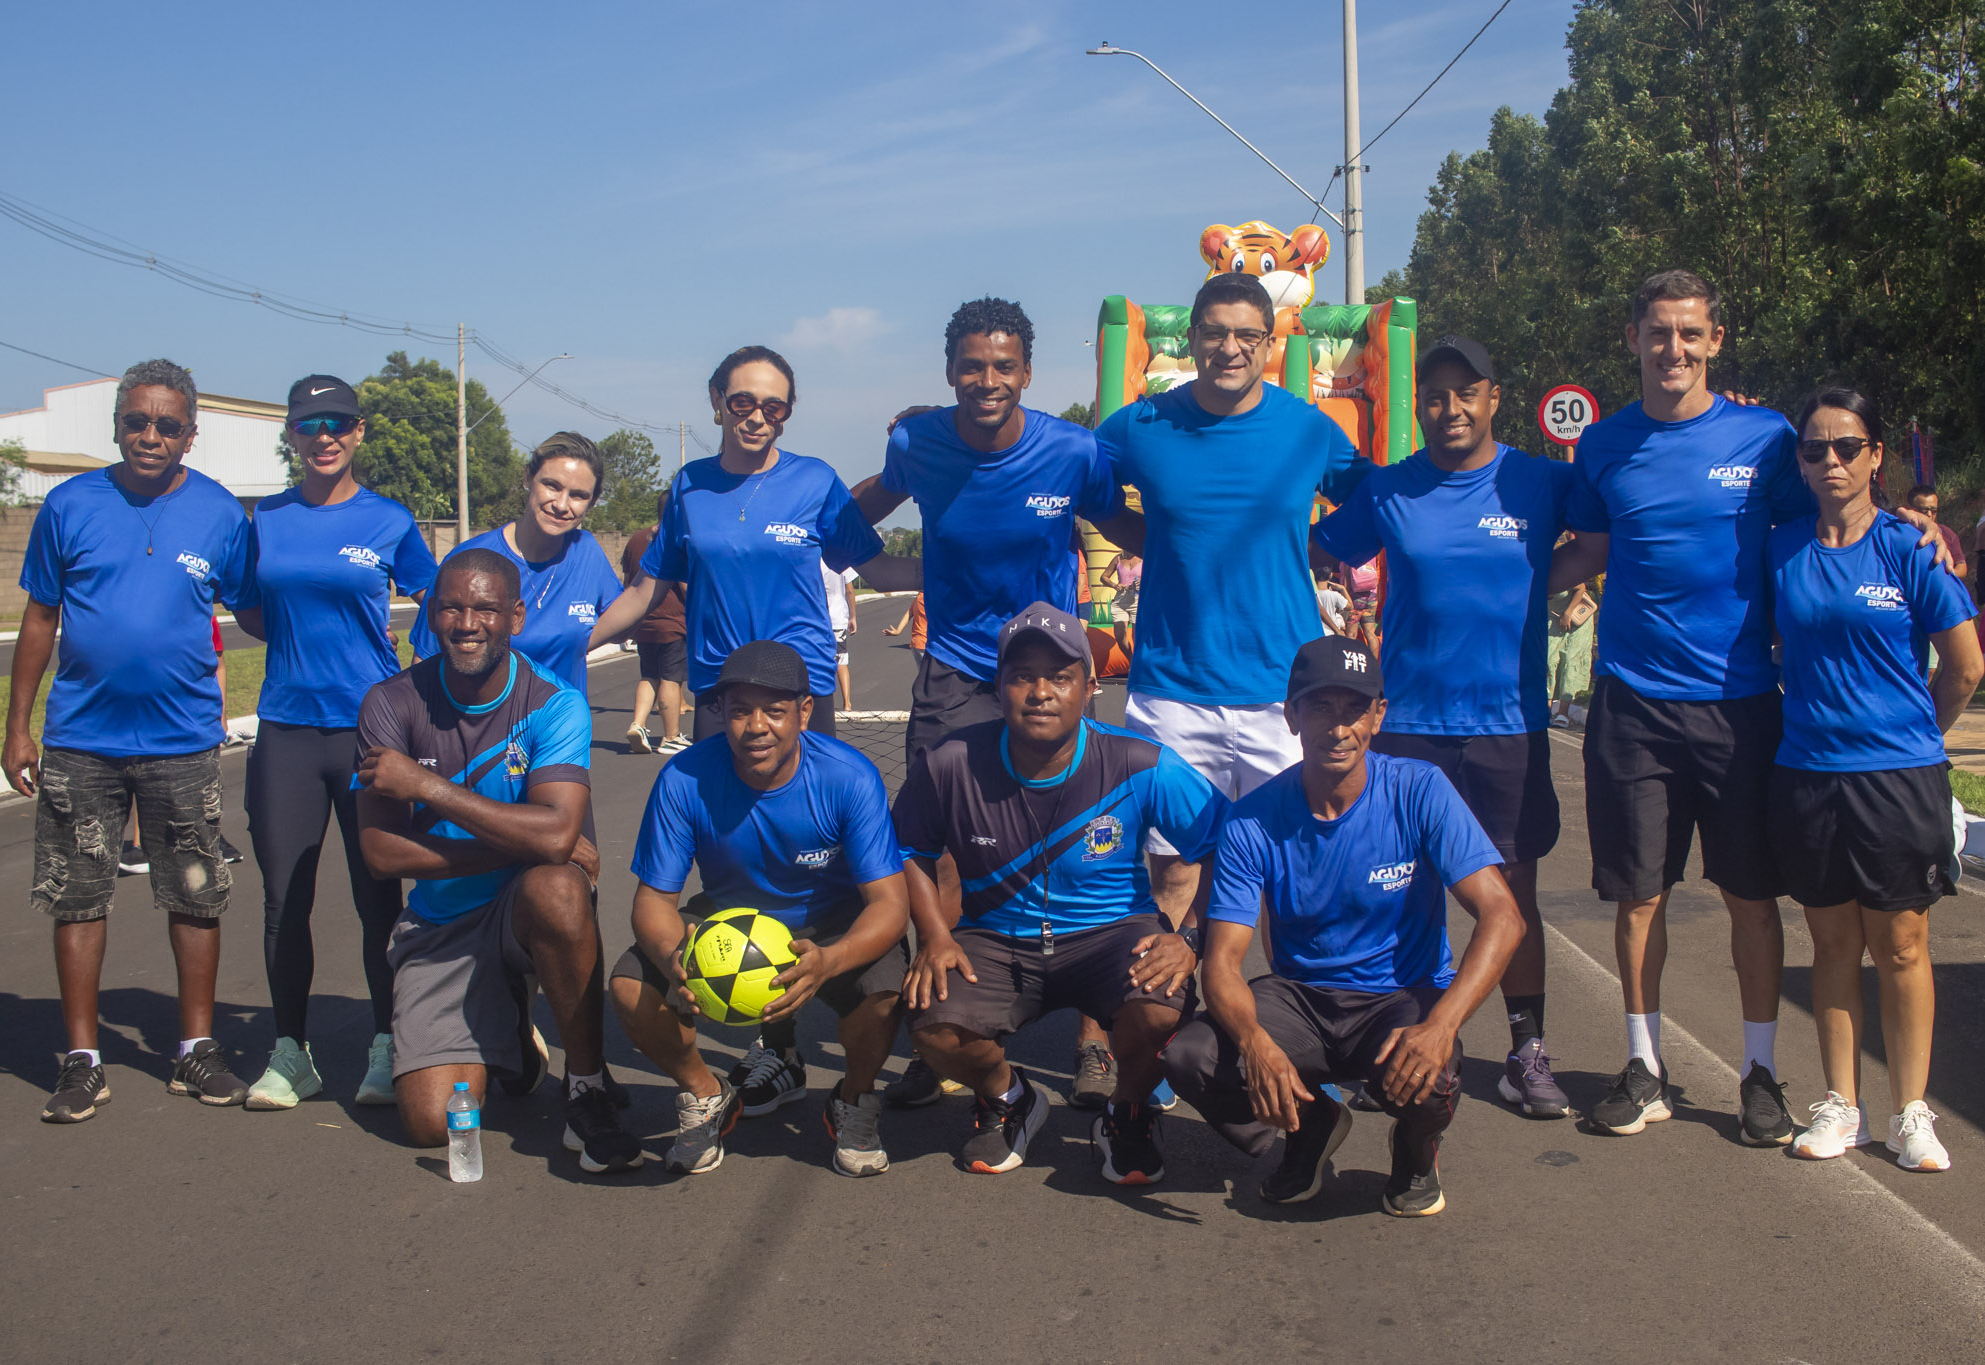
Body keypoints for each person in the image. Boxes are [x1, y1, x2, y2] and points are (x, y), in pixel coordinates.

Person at [1547, 268, 1946, 1143]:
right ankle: (1643, 1066)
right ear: (1632, 339)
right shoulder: (1605, 445)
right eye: (1658, 332)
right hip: (1633, 704)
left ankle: (1759, 1071)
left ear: (1714, 341)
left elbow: (1842, 506)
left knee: (1749, 897)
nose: (1673, 349)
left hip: (1741, 705)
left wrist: (1920, 522)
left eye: (1690, 334)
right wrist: (1492, 586)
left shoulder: (1768, 439)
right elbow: (1586, 549)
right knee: (1639, 897)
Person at [849, 299, 1142, 1107]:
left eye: (1002, 366)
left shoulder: (1072, 451)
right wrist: (896, 576)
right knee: (939, 853)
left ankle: (1092, 1036)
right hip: (954, 669)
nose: (987, 380)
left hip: (1048, 669)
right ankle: (939, 1014)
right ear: (949, 374)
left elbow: (1128, 524)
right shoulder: (917, 443)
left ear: (1026, 373)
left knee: (1080, 845)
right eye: (971, 366)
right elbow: (849, 521)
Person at [1162, 637, 1525, 1216]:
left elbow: (1503, 917)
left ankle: (1414, 1147)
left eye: (1354, 709)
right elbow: (1223, 962)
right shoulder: (1252, 819)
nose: (1338, 728)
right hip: (1301, 998)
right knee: (1191, 1057)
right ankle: (1311, 1125)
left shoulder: (1420, 789)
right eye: (1319, 708)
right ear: (1291, 715)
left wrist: (1441, 1025)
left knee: (1431, 1078)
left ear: (1378, 716)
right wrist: (1256, 1044)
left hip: (1398, 997)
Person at [1312, 335, 1575, 1119]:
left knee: (1512, 885)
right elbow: (1319, 549)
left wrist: (1537, 586)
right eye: (1434, 394)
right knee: (1400, 888)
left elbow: (1607, 534)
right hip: (1409, 726)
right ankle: (1383, 1040)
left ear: (1495, 397)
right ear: (1417, 404)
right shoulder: (1391, 490)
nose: (1450, 407)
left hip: (1506, 725)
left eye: (1467, 392)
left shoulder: (1541, 481)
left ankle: (1524, 1050)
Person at [894, 604, 1227, 1183]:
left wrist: (1192, 939)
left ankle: (1128, 1110)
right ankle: (1010, 1097)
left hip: (1112, 934)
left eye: (1060, 676)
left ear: (1090, 685)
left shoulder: (1139, 762)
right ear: (999, 685)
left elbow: (1230, 846)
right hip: (998, 936)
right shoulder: (950, 763)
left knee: (1159, 1007)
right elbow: (908, 850)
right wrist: (935, 935)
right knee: (932, 1022)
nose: (1040, 691)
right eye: (1022, 675)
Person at [13, 359, 258, 1122]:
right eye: (136, 422)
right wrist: (16, 725)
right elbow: (41, 619)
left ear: (192, 434)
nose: (150, 436)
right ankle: (83, 1059)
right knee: (77, 897)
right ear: (117, 425)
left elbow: (254, 611)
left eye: (167, 424)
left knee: (195, 892)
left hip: (181, 740)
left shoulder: (221, 514)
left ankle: (195, 1049)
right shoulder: (69, 504)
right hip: (81, 738)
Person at [1093, 273, 1368, 933]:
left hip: (1283, 692)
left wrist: (1313, 546)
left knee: (1291, 871)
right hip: (1172, 689)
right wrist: (1152, 541)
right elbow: (1085, 491)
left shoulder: (1306, 429)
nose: (1229, 347)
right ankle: (1171, 1022)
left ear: (1269, 343)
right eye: (1214, 332)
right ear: (1192, 339)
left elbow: (1372, 499)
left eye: (1247, 334)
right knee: (1174, 868)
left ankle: (1279, 1022)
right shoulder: (1138, 427)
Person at [354, 549, 642, 1173]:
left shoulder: (553, 702)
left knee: (560, 888)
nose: (466, 623)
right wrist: (527, 840)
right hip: (440, 925)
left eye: (485, 608)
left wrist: (426, 788)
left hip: (523, 907)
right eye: (451, 607)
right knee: (433, 1125)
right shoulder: (390, 702)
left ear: (514, 615)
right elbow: (381, 853)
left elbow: (559, 837)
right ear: (430, 613)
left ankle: (587, 1086)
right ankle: (511, 1032)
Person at [1769, 389, 1980, 1171]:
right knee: (1829, 944)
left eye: (1847, 447)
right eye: (1815, 449)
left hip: (1897, 777)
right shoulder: (1779, 546)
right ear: (1799, 461)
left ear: (1875, 456)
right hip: (1807, 776)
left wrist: (1914, 732)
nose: (1831, 461)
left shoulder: (1908, 548)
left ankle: (1910, 1112)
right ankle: (1841, 1105)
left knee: (1901, 944)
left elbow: (1964, 666)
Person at [608, 641, 911, 1176]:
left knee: (885, 993)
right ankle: (707, 1094)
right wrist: (670, 957)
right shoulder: (684, 779)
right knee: (631, 987)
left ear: (804, 711)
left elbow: (888, 904)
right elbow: (653, 902)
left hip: (832, 923)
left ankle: (855, 1099)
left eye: (774, 709)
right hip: (728, 922)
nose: (756, 726)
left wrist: (831, 962)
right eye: (740, 708)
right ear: (720, 711)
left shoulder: (848, 777)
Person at [232, 374, 439, 1111]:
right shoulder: (265, 518)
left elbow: (438, 604)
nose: (323, 436)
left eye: (338, 423)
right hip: (287, 728)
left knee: (377, 893)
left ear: (357, 433)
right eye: (308, 425)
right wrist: (303, 642)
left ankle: (388, 1042)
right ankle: (291, 1052)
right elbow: (252, 610)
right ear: (290, 436)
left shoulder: (389, 519)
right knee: (284, 897)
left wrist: (417, 685)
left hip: (370, 732)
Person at [593, 346, 916, 742]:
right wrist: (569, 645)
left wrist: (975, 565)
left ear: (787, 412)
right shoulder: (689, 485)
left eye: (773, 407)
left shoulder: (815, 481)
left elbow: (879, 571)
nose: (757, 418)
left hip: (801, 690)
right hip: (720, 688)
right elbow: (643, 593)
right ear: (717, 399)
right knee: (719, 804)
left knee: (805, 804)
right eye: (742, 402)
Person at [409, 433, 623, 696]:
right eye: (552, 486)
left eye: (578, 495)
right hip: (480, 732)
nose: (561, 505)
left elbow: (629, 617)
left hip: (561, 733)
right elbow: (424, 665)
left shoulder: (587, 552)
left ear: (594, 500)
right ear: (528, 478)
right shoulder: (470, 558)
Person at [620, 495, 691, 755]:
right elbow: (685, 585)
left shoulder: (636, 539)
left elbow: (629, 577)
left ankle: (638, 724)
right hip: (671, 622)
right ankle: (671, 735)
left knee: (648, 675)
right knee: (670, 679)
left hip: (643, 621)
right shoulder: (675, 541)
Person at [1547, 579, 1597, 727]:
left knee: (1570, 660)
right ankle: (1547, 710)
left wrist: (1568, 613)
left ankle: (1563, 713)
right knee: (1548, 661)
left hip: (1575, 617)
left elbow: (1580, 587)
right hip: (1552, 616)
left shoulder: (1557, 571)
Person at [823, 560, 859, 710]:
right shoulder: (841, 559)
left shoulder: (817, 559)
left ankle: (824, 702)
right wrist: (853, 616)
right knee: (841, 661)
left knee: (823, 660)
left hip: (821, 617)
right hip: (838, 618)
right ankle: (847, 703)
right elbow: (850, 590)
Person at [1101, 550, 1141, 654]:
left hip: (1137, 601)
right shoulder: (1118, 558)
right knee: (1120, 636)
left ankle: (1136, 664)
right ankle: (1130, 660)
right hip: (1120, 600)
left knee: (1136, 637)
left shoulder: (1143, 558)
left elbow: (1155, 577)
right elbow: (1104, 577)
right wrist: (1115, 585)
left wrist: (1142, 582)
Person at [883, 592, 926, 665]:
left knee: (924, 675)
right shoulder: (932, 597)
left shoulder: (919, 597)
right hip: (928, 644)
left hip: (917, 642)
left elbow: (909, 613)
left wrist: (898, 631)